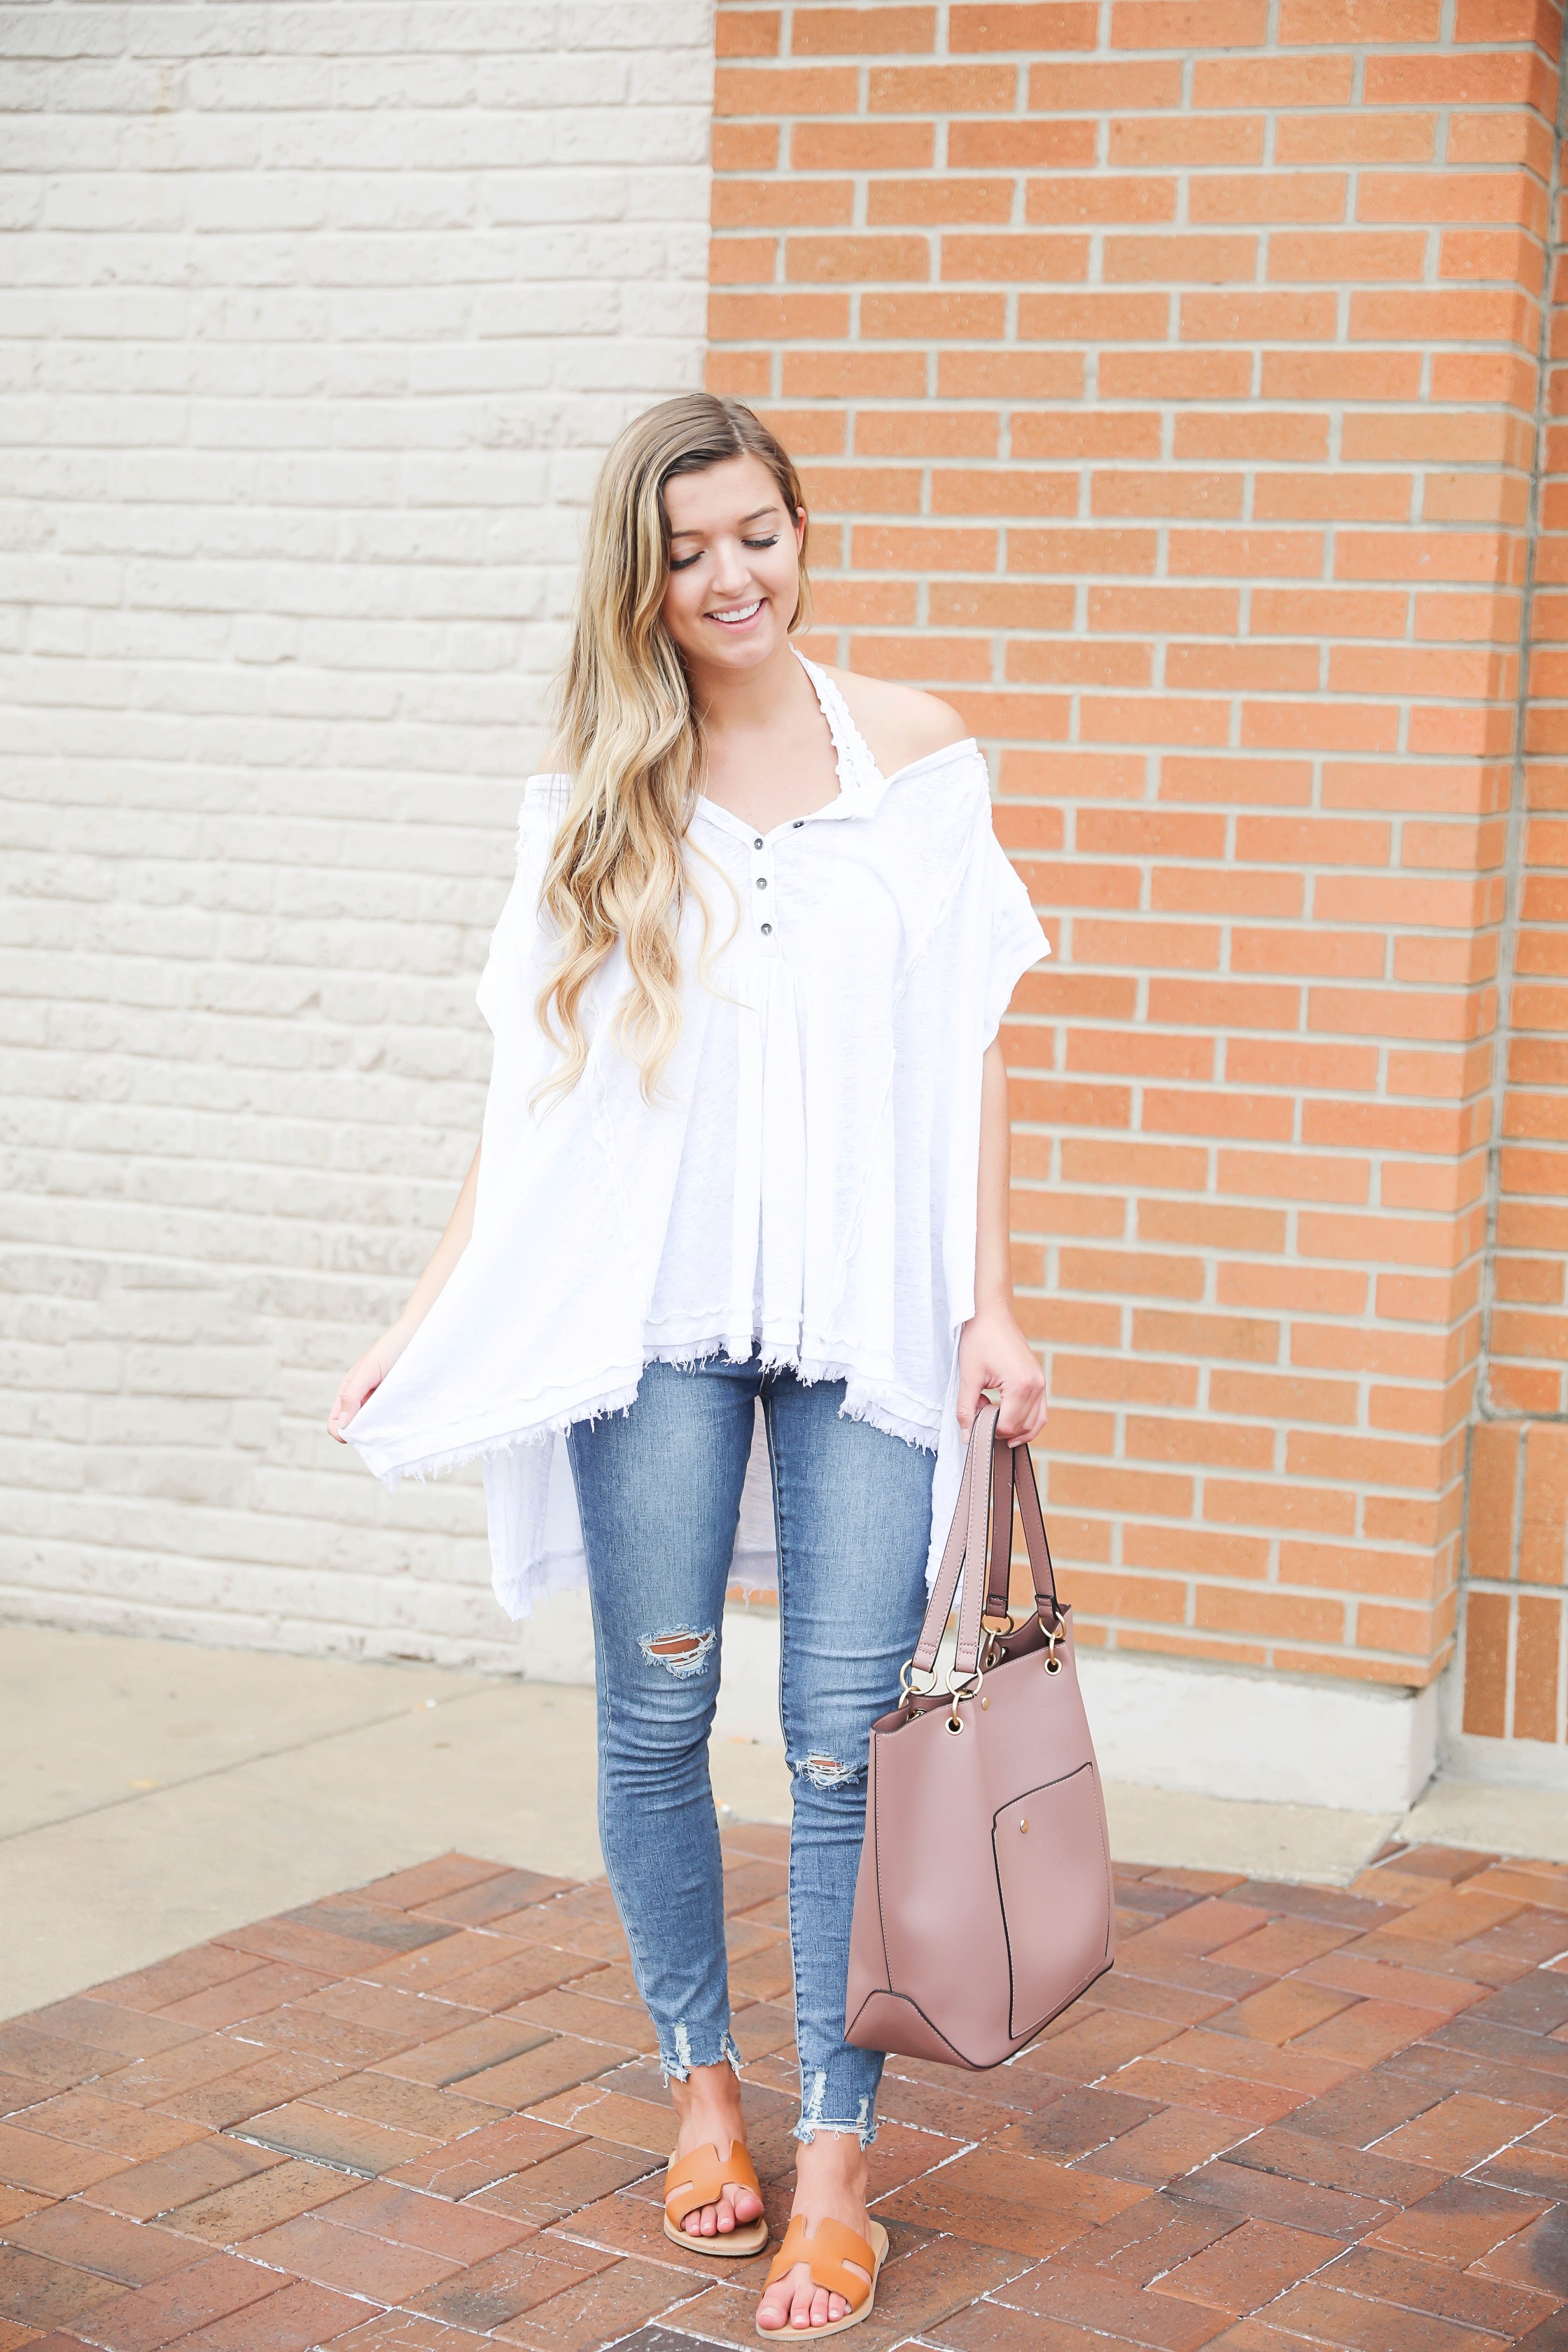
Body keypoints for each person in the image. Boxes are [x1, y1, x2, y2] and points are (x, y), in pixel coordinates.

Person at [330, 394, 1048, 2337]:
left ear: (803, 532)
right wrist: (426, 1310)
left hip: (866, 1323)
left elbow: (970, 1036)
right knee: (655, 1721)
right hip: (643, 1326)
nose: (731, 576)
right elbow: (534, 1087)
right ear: (637, 577)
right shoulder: (595, 787)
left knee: (841, 1749)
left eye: (758, 533)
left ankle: (837, 2165)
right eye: (686, 549)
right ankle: (700, 2098)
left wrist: (991, 1299)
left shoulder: (915, 760)